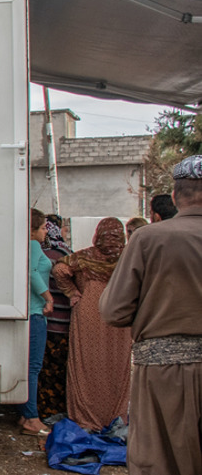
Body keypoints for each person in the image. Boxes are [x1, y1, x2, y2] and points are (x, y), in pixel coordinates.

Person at [101, 154, 202, 474]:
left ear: (174, 196)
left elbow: (114, 311)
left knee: (159, 458)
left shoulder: (148, 238)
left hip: (162, 372)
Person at [51, 217, 130, 431]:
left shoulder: (85, 256)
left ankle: (84, 415)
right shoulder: (129, 257)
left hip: (89, 313)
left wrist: (73, 293)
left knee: (86, 364)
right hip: (120, 316)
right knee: (117, 366)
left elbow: (59, 270)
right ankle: (114, 416)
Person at [21, 208, 53, 436]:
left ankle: (27, 413)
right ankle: (31, 418)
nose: (45, 232)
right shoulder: (32, 245)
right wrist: (48, 297)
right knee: (33, 367)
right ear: (32, 230)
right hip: (34, 312)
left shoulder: (28, 245)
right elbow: (31, 272)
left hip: (31, 311)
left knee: (30, 367)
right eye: (42, 227)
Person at [37, 214, 72, 417]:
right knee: (59, 370)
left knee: (44, 369)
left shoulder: (41, 253)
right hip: (63, 322)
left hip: (46, 320)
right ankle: (57, 409)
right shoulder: (66, 253)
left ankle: (44, 410)